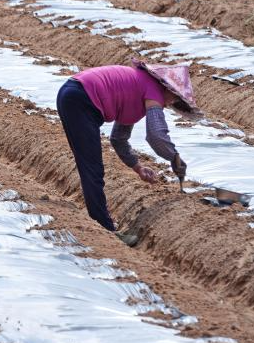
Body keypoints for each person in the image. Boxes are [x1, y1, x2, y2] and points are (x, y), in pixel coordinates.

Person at [56, 59, 199, 241]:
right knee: (92, 168)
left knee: (89, 165)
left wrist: (138, 167)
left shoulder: (138, 88)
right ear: (169, 89)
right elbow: (156, 135)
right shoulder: (153, 92)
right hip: (80, 99)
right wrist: (175, 158)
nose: (169, 104)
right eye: (175, 98)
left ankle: (102, 223)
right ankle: (106, 230)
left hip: (71, 93)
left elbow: (119, 139)